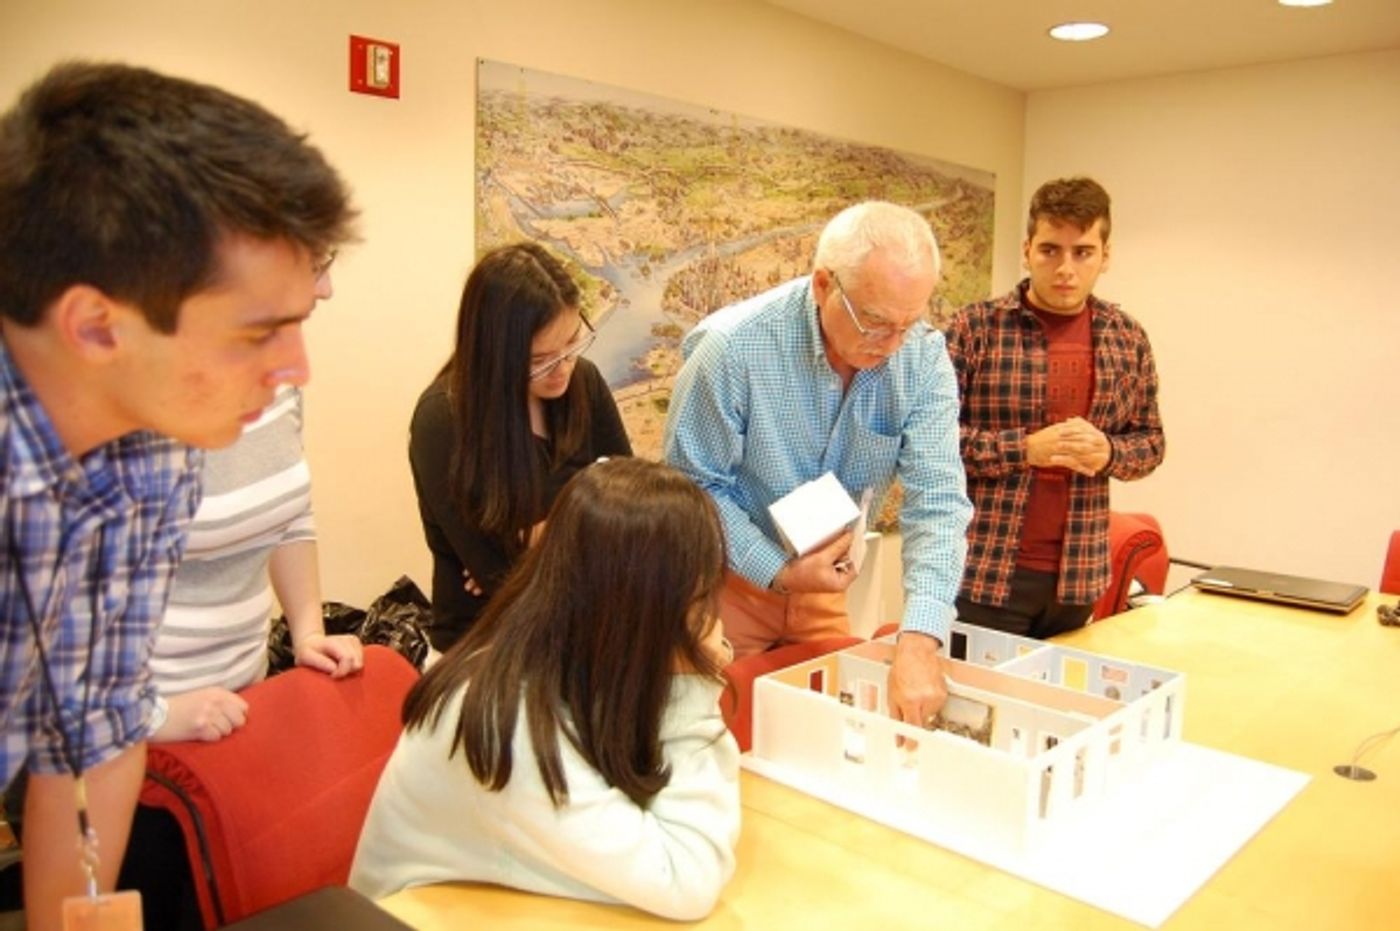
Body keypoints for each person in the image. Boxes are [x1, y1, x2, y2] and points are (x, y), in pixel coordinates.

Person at [0, 62, 355, 930]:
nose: (294, 371)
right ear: (95, 327)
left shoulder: (156, 452)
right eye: (259, 334)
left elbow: (91, 736)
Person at [351, 458, 740, 920]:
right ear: (639, 613)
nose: (708, 623)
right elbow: (686, 877)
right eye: (696, 601)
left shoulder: (578, 657)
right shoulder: (504, 716)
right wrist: (691, 685)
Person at [663, 201, 972, 728]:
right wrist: (776, 570)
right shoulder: (733, 348)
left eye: (909, 323)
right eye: (875, 323)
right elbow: (690, 485)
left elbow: (938, 502)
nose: (891, 345)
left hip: (823, 589)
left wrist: (920, 638)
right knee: (709, 735)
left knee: (823, 735)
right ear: (824, 285)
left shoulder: (919, 357)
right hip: (722, 585)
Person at [946, 177, 1164, 638]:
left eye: (1082, 252)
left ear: (1106, 256)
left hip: (1078, 577)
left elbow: (1151, 443)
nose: (1065, 267)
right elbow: (929, 442)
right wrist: (1023, 449)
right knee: (974, 710)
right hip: (982, 570)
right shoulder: (973, 329)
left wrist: (1109, 453)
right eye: (1050, 250)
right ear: (1027, 250)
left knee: (1055, 707)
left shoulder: (1128, 338)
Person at [409, 242, 631, 653]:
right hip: (486, 649)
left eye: (572, 343)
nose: (563, 368)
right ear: (492, 352)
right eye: (540, 360)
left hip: (589, 632)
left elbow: (634, 513)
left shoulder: (583, 382)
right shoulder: (443, 420)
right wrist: (589, 519)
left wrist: (536, 540)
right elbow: (497, 573)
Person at [145, 384, 363, 744]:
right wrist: (155, 716)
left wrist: (308, 634)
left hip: (239, 703)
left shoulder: (278, 387)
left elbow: (289, 511)